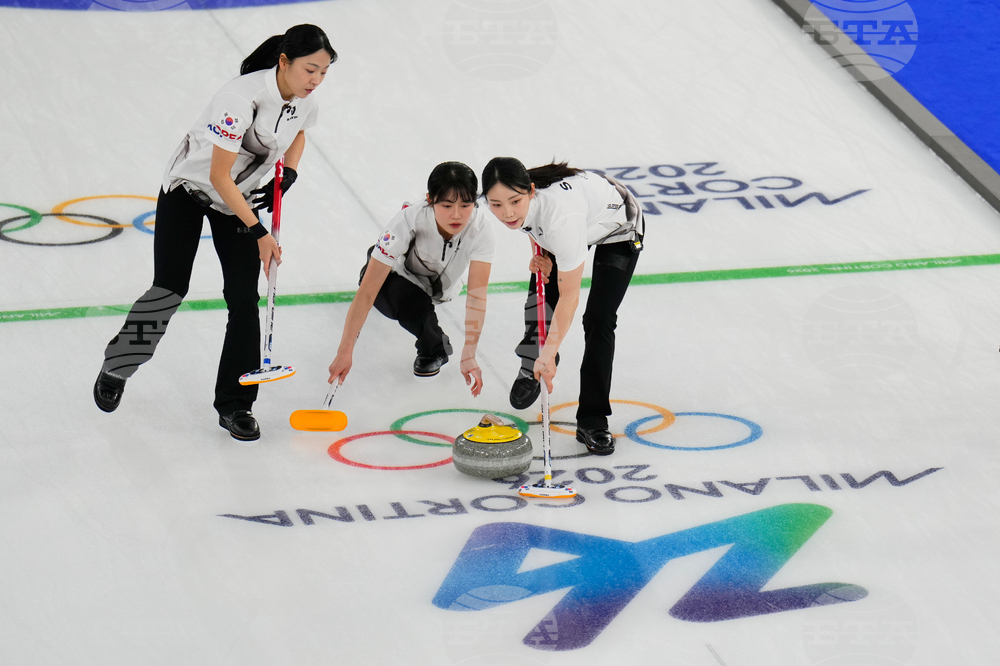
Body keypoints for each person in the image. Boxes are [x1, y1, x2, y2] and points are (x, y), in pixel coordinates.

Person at [93, 25, 337, 441]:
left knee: (244, 299)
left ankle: (236, 405)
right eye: (310, 70)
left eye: (324, 73)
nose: (315, 81)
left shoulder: (303, 101)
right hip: (189, 192)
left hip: (238, 199)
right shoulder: (239, 98)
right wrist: (259, 231)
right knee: (169, 287)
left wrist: (289, 172)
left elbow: (298, 134)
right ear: (284, 61)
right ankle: (118, 363)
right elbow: (218, 174)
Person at [482, 158, 644, 455]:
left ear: (531, 191)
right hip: (575, 220)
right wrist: (543, 256)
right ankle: (530, 360)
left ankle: (593, 420)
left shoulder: (560, 218)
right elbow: (532, 225)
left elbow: (570, 295)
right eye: (496, 205)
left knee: (599, 317)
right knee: (541, 285)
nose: (507, 213)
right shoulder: (518, 202)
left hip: (617, 226)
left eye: (515, 202)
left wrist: (551, 351)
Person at [328, 162, 494, 395]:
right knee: (374, 277)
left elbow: (477, 298)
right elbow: (367, 291)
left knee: (413, 301)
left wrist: (470, 353)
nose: (457, 215)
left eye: (466, 205)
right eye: (446, 205)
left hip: (440, 290)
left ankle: (431, 338)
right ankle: (435, 345)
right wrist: (345, 351)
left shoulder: (481, 230)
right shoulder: (407, 219)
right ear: (429, 199)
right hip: (400, 278)